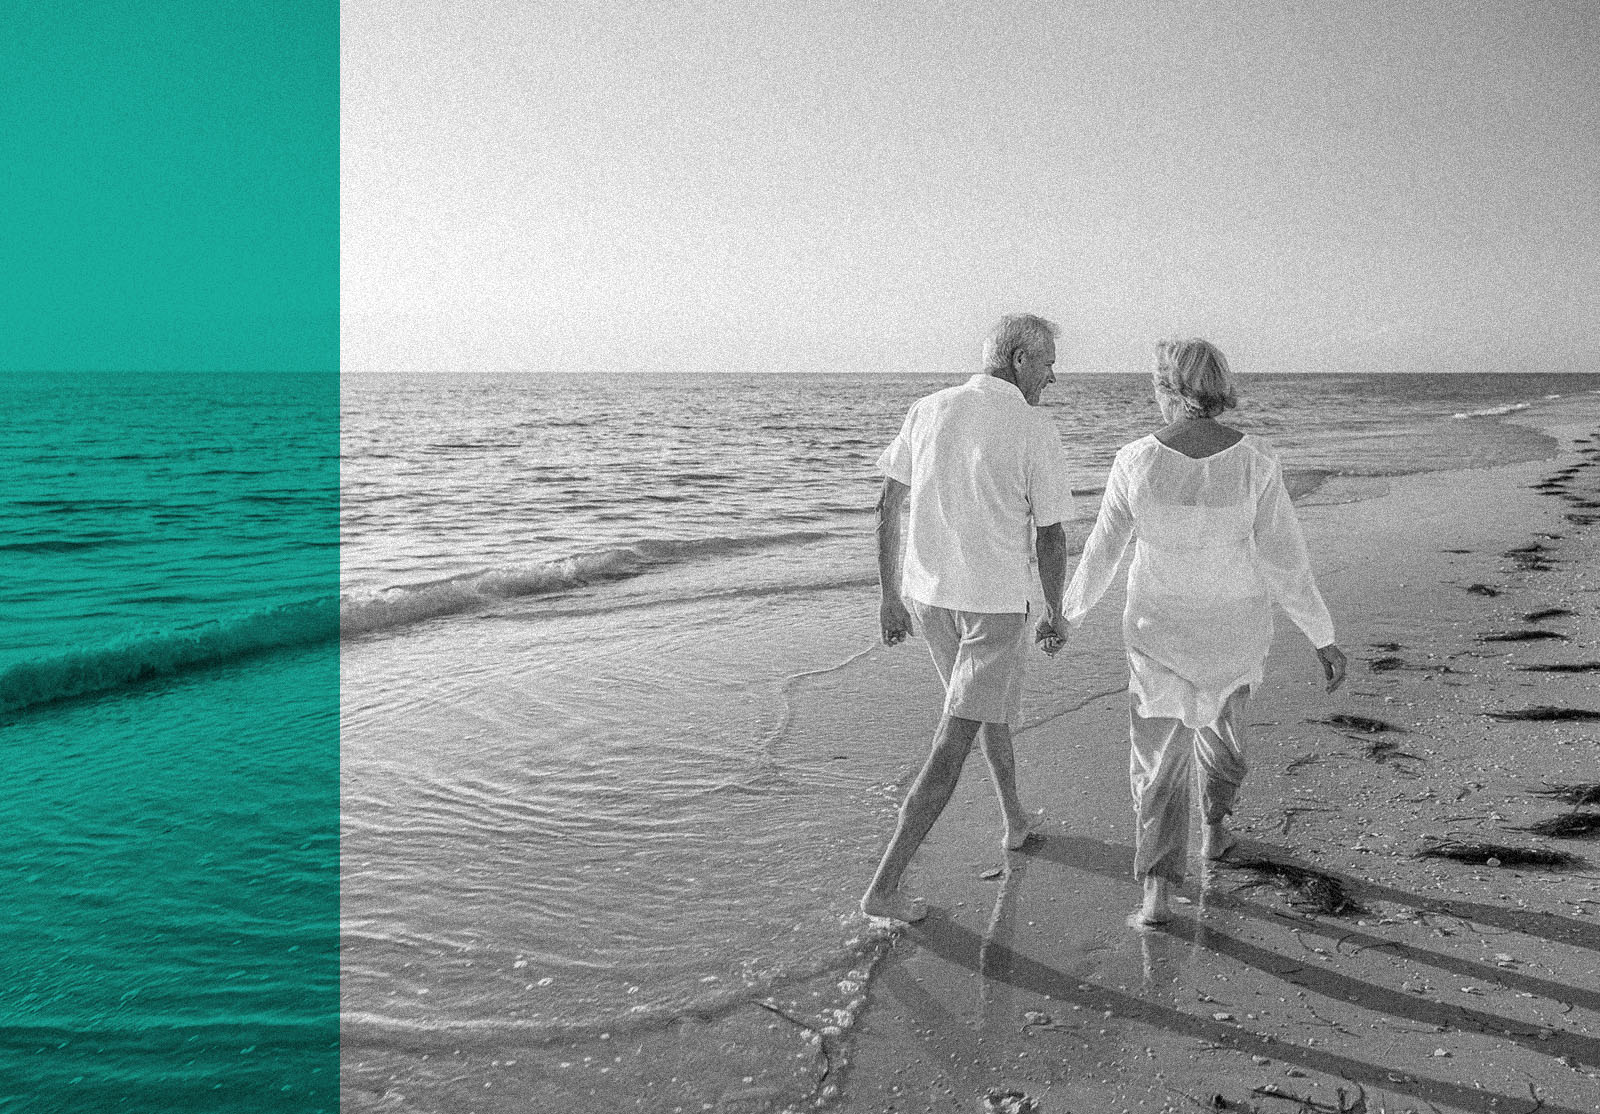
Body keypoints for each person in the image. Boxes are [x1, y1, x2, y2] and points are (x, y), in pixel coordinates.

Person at [1060, 338, 1347, 926]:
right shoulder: (1255, 459)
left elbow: (1102, 553)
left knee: (1158, 761)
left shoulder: (1136, 459)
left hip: (1159, 625)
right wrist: (1322, 635)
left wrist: (1066, 616)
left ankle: (1158, 894)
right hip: (1230, 628)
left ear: (1167, 387)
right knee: (1224, 745)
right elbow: (1286, 559)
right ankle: (1212, 832)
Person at [860, 313, 1076, 924]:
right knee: (955, 737)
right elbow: (1052, 536)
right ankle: (885, 885)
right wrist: (1057, 611)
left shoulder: (927, 408)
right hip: (991, 609)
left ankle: (1013, 820)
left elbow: (887, 507)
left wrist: (889, 597)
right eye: (1048, 363)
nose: (1054, 376)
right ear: (1018, 360)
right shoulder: (1034, 427)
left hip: (928, 598)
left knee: (985, 709)